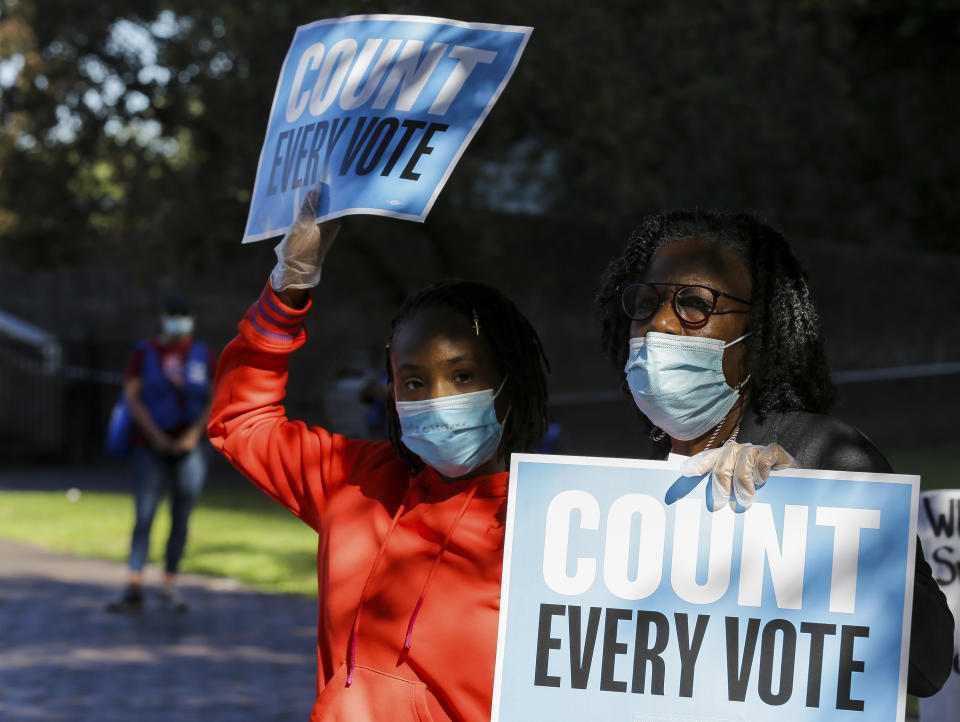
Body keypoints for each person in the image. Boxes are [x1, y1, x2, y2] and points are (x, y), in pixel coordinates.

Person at [207, 192, 550, 721]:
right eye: (413, 381)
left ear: (510, 382)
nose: (436, 397)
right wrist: (288, 285)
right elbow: (242, 421)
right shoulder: (355, 481)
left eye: (462, 375)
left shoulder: (556, 525)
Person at [595, 209, 954, 697]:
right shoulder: (609, 487)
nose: (658, 325)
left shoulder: (826, 455)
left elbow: (927, 666)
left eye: (694, 304)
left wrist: (803, 505)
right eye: (647, 302)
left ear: (757, 335)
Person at [107, 295, 215, 614]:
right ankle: (134, 585)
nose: (178, 321)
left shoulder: (204, 355)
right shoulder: (144, 352)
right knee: (144, 515)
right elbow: (133, 398)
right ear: (162, 317)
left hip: (190, 446)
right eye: (173, 315)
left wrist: (192, 436)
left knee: (181, 516)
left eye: (185, 315)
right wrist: (156, 437)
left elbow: (215, 397)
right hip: (148, 445)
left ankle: (169, 583)